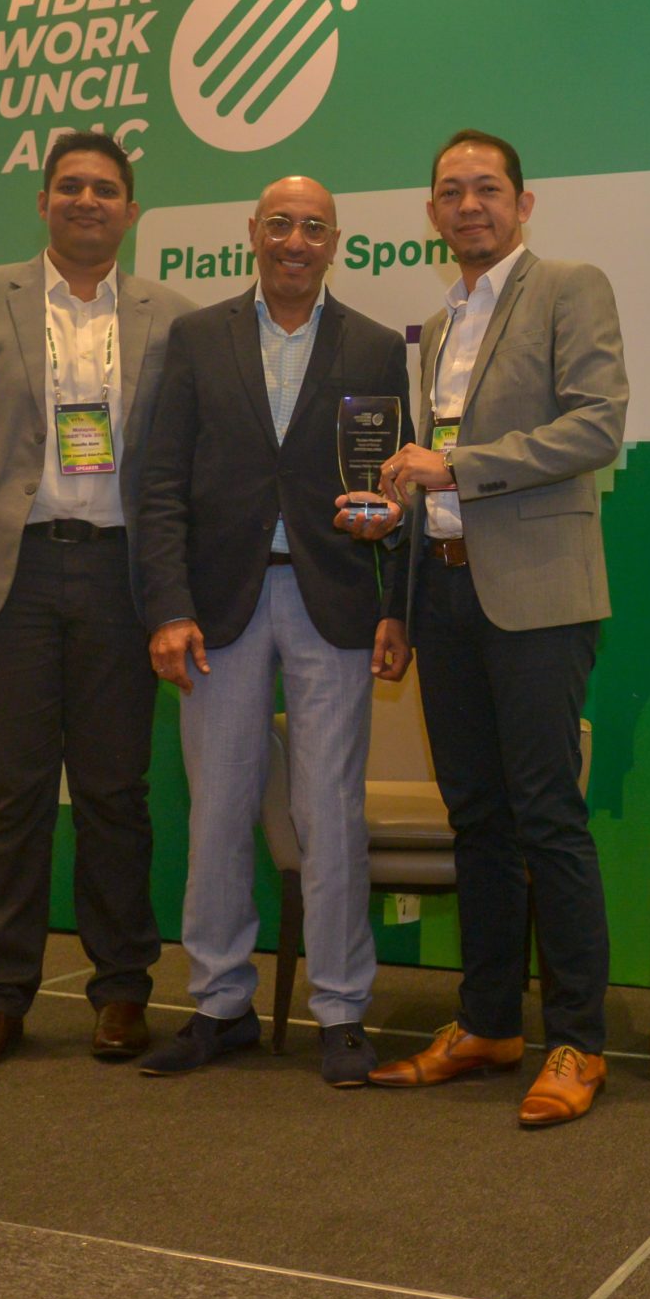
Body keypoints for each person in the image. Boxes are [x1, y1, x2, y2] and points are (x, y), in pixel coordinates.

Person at [0, 130, 194, 1073]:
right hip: (12, 579)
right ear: (42, 201)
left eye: (105, 189)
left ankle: (122, 991)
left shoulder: (174, 317)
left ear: (131, 211)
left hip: (122, 579)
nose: (86, 200)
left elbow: (187, 467)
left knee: (116, 794)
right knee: (10, 793)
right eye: (69, 185)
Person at [360, 128, 628, 1127]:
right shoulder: (435, 326)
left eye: (486, 188)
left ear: (523, 203)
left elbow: (596, 424)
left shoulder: (569, 288)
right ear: (431, 213)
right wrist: (398, 601)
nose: (468, 205)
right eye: (450, 191)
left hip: (538, 595)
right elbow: (423, 473)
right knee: (475, 818)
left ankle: (578, 1039)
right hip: (443, 595)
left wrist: (458, 466)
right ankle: (487, 1023)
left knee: (547, 815)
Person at [133, 174, 413, 1084]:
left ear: (336, 243)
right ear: (252, 231)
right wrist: (168, 606)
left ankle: (341, 1009)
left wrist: (396, 604)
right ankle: (220, 1004)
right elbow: (159, 481)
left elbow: (398, 488)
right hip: (219, 606)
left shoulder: (375, 346)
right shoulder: (196, 337)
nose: (297, 241)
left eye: (314, 228)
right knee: (218, 809)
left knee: (329, 812)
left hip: (334, 602)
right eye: (282, 224)